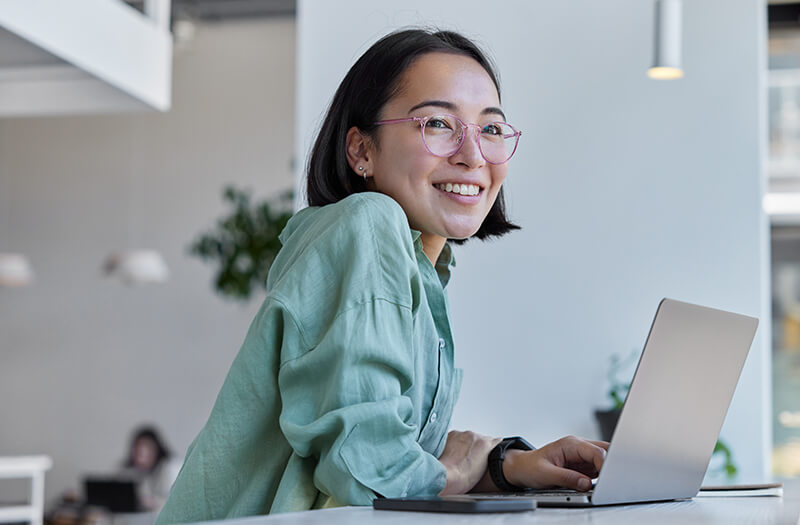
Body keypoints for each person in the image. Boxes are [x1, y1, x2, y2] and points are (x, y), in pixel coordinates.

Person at [156, 28, 608, 523]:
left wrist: (507, 465)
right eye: (438, 123)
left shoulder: (422, 268)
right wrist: (457, 473)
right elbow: (369, 474)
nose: (473, 155)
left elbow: (390, 461)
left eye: (492, 129)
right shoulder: (367, 224)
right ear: (361, 152)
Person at [119, 426, 181, 512]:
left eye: (145, 450)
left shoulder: (171, 468)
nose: (141, 457)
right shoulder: (143, 472)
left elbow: (177, 502)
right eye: (138, 452)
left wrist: (152, 503)